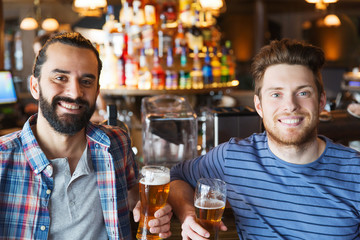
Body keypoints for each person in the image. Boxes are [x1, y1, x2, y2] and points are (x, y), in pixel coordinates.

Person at [169, 39, 360, 239]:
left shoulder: (355, 171)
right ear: (259, 106)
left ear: (321, 102)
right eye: (276, 94)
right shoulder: (232, 158)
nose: (290, 105)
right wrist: (188, 215)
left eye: (303, 92)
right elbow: (177, 177)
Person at [0, 32, 172, 239]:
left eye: (86, 81)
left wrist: (150, 209)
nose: (74, 93)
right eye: (60, 78)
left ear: (97, 91)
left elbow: (131, 193)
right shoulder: (3, 159)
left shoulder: (117, 142)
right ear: (35, 87)